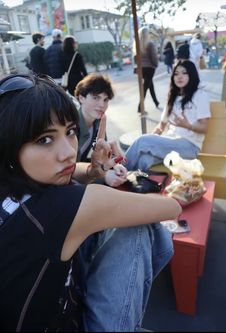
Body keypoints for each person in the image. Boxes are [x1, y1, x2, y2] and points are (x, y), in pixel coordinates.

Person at [0, 73, 182, 332]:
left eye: (70, 132)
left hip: (54, 300)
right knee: (139, 227)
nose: (68, 152)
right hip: (68, 321)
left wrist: (96, 172)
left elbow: (73, 169)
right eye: (45, 140)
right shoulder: (63, 205)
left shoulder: (11, 179)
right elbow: (172, 208)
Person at [125, 59, 211, 172]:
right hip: (170, 144)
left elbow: (205, 127)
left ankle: (118, 170)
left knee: (143, 141)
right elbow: (161, 126)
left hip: (189, 147)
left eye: (184, 73)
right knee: (144, 160)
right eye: (176, 74)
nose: (179, 77)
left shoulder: (199, 95)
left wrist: (188, 126)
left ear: (192, 75)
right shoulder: (173, 97)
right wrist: (154, 137)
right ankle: (133, 185)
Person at [73, 73, 113, 162]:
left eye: (105, 100)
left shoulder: (98, 122)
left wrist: (112, 161)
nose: (102, 105)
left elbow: (101, 155)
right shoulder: (70, 124)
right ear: (81, 98)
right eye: (96, 98)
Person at [133, 26, 160, 113]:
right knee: (145, 88)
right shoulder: (150, 44)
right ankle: (140, 108)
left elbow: (135, 58)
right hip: (149, 68)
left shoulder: (136, 44)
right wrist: (156, 64)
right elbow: (154, 57)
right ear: (147, 34)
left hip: (141, 68)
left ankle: (156, 102)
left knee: (150, 85)